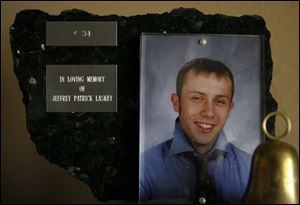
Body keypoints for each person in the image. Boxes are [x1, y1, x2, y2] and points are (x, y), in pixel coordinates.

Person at [140, 58, 252, 204]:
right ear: (176, 103)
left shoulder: (252, 169)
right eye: (197, 98)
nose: (209, 112)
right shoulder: (144, 168)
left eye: (219, 101)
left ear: (230, 108)